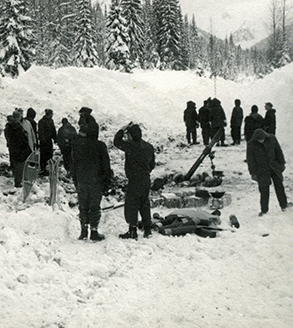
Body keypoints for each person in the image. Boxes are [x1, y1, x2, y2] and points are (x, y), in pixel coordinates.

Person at [114, 122, 155, 239]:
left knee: (132, 204)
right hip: (146, 178)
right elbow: (152, 164)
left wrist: (122, 129)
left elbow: (117, 142)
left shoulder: (130, 146)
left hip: (135, 179)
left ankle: (132, 230)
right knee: (144, 203)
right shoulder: (149, 147)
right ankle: (148, 230)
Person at [71, 122, 111, 241]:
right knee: (94, 206)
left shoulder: (78, 145)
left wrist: (76, 180)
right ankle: (94, 231)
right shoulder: (100, 146)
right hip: (96, 181)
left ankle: (83, 231)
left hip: (82, 180)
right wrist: (107, 181)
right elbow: (106, 166)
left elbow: (73, 165)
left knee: (83, 205)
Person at [247, 128, 291, 216]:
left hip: (274, 167)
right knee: (264, 190)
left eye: (262, 139)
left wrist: (282, 164)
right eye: (259, 140)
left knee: (279, 187)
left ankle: (284, 205)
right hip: (261, 170)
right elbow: (250, 160)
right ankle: (264, 210)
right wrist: (253, 173)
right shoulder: (251, 144)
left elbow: (278, 152)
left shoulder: (272, 138)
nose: (261, 141)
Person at [4, 111, 31, 187]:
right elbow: (20, 138)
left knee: (17, 164)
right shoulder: (16, 126)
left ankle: (18, 179)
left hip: (14, 148)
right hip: (19, 149)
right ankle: (18, 182)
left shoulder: (9, 126)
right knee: (20, 165)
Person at [38, 109, 57, 176]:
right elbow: (41, 132)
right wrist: (42, 140)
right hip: (44, 142)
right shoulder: (42, 121)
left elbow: (53, 130)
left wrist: (55, 138)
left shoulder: (51, 121)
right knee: (43, 155)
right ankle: (43, 169)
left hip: (49, 141)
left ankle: (48, 168)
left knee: (49, 154)